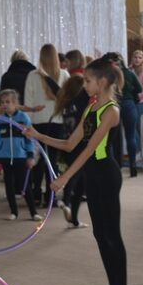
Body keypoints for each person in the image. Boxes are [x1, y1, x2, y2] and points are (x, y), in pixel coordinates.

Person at [28, 57, 127, 285]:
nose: (84, 85)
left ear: (102, 82)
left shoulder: (111, 111)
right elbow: (71, 144)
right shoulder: (90, 108)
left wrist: (64, 177)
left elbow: (90, 149)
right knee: (99, 233)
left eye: (88, 81)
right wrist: (38, 136)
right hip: (92, 174)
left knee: (111, 234)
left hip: (106, 175)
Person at [24, 44, 69, 206]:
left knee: (38, 160)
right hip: (57, 122)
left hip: (37, 123)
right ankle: (52, 196)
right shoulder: (64, 75)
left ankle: (36, 194)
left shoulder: (32, 75)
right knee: (53, 160)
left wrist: (27, 125)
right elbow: (67, 99)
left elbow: (28, 103)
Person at [0, 89, 38, 222]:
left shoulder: (23, 118)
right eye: (2, 102)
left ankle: (33, 212)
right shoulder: (0, 120)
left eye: (8, 102)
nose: (4, 104)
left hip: (20, 157)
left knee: (25, 185)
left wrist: (30, 155)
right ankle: (14, 212)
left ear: (15, 103)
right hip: (5, 158)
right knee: (9, 186)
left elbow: (29, 138)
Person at [51, 76, 90, 228]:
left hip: (67, 145)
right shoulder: (83, 99)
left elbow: (55, 88)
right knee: (76, 176)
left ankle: (73, 218)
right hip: (79, 143)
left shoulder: (66, 102)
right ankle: (66, 202)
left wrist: (45, 76)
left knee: (78, 179)